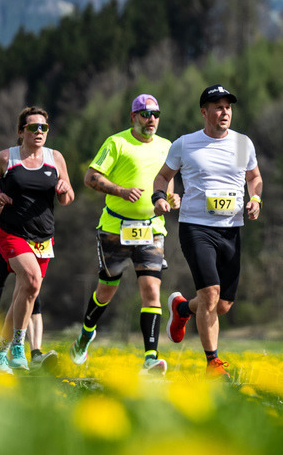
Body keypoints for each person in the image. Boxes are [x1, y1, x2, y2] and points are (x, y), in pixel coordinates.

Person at [156, 84, 261, 378]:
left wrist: (256, 199)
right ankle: (212, 362)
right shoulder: (184, 144)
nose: (224, 112)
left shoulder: (243, 144)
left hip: (231, 230)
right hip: (196, 228)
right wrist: (160, 197)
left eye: (228, 107)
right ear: (204, 112)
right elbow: (163, 177)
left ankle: (182, 309)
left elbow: (254, 178)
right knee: (211, 294)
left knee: (223, 305)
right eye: (217, 106)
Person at [70, 93, 174, 375]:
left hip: (152, 229)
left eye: (155, 114)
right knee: (106, 290)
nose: (151, 119)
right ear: (133, 117)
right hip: (116, 228)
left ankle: (151, 358)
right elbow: (91, 177)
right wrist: (120, 191)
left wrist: (169, 199)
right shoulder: (117, 142)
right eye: (145, 114)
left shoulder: (166, 146)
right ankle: (86, 333)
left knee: (152, 290)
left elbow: (168, 181)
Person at [0, 106, 75, 371]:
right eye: (33, 128)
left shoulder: (55, 158)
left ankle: (0, 352)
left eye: (43, 128)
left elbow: (67, 198)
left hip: (44, 237)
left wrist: (64, 189)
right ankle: (20, 347)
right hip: (12, 233)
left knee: (26, 292)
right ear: (21, 132)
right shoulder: (7, 157)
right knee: (31, 280)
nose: (39, 132)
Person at [0, 228, 56, 374]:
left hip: (34, 241)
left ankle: (33, 354)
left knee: (30, 294)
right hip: (4, 245)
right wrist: (0, 204)